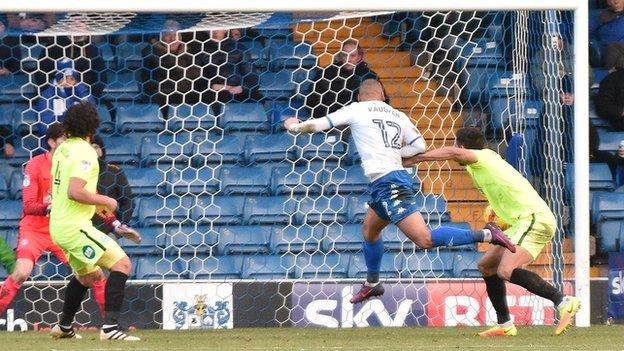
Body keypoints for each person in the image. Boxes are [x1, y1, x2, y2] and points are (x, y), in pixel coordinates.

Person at [284, 79, 515, 304]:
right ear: (383, 96)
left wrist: (294, 126)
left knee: (424, 239)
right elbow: (419, 147)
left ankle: (486, 234)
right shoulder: (398, 115)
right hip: (386, 181)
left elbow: (320, 124)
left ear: (358, 96)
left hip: (389, 182)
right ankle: (372, 283)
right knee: (370, 231)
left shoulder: (356, 109)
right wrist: (395, 152)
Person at [402, 126, 581, 336]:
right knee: (486, 266)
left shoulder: (482, 157)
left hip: (534, 218)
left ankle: (563, 300)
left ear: (461, 145)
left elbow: (453, 152)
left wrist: (417, 158)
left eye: (457, 147)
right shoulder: (486, 163)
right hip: (521, 221)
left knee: (505, 271)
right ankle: (505, 324)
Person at [49, 103, 139, 341]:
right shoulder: (86, 152)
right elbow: (75, 192)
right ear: (93, 125)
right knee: (123, 265)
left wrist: (114, 224)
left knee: (88, 276)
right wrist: (107, 200)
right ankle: (110, 329)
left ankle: (64, 326)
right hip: (74, 226)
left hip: (60, 224)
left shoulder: (63, 149)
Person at [0, 124, 106, 317]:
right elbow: (28, 206)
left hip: (64, 228)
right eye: (65, 138)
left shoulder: (74, 164)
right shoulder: (35, 164)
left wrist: (114, 222)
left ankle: (110, 324)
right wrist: (49, 207)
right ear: (51, 142)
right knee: (21, 272)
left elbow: (94, 197)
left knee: (95, 274)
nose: (70, 143)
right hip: (35, 229)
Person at [141, 19, 207, 118]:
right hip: (163, 94)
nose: (172, 39)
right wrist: (182, 71)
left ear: (180, 37)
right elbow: (155, 74)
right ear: (161, 36)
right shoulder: (150, 52)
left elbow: (196, 72)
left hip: (187, 94)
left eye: (175, 35)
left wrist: (175, 71)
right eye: (168, 34)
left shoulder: (189, 52)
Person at [306, 40, 383, 119]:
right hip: (334, 120)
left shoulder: (369, 76)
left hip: (363, 120)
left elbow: (382, 100)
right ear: (340, 56)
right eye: (345, 55)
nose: (348, 59)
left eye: (352, 55)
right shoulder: (327, 73)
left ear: (359, 57)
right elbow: (313, 101)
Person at [201, 29, 263, 115]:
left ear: (225, 29)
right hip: (212, 94)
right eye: (211, 29)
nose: (214, 32)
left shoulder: (239, 48)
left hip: (239, 92)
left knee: (259, 102)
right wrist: (212, 86)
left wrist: (242, 88)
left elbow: (252, 77)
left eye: (218, 28)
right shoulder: (201, 50)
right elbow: (197, 77)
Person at [34, 66, 96, 137]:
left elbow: (92, 121)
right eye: (64, 78)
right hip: (56, 140)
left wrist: (80, 90)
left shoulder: (82, 94)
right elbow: (44, 127)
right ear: (57, 79)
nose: (67, 82)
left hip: (79, 138)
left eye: (72, 79)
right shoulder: (47, 96)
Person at [90, 135, 135, 231]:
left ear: (102, 151)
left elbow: (128, 201)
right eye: (89, 147)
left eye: (96, 147)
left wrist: (121, 224)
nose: (92, 150)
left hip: (107, 230)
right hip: (79, 229)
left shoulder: (114, 172)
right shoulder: (76, 173)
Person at [589, 0, 624, 69]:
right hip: (610, 52)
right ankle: (609, 74)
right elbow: (584, 30)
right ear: (608, 2)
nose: (616, 1)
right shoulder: (602, 16)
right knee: (616, 51)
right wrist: (600, 20)